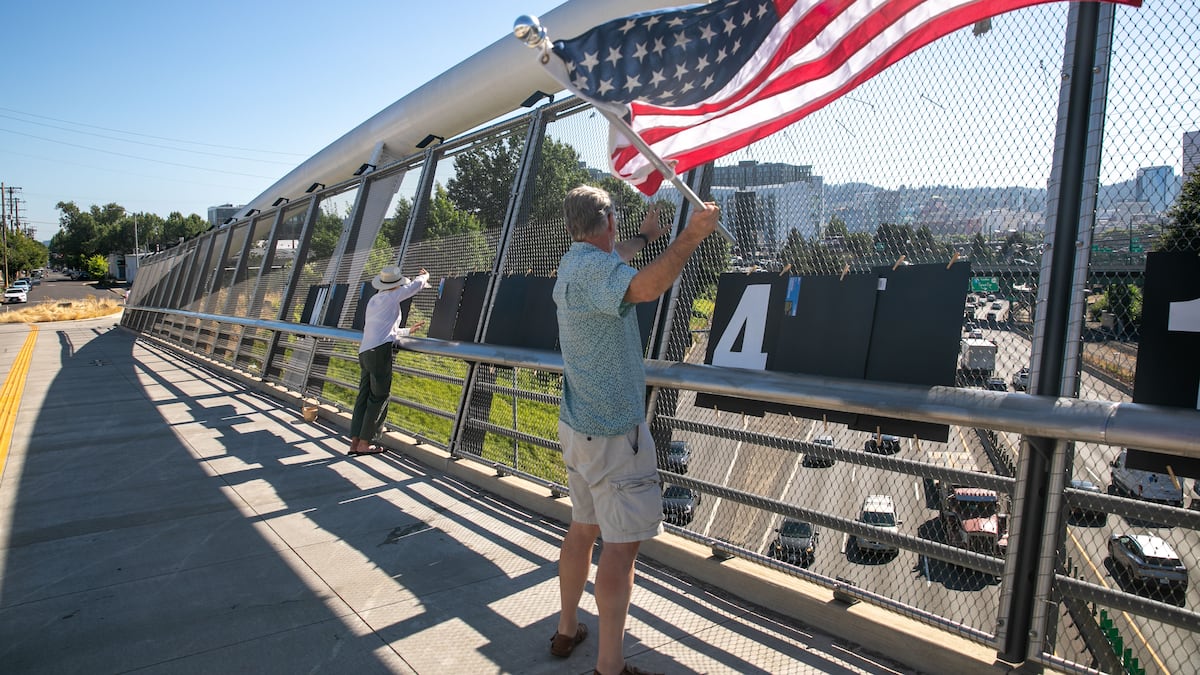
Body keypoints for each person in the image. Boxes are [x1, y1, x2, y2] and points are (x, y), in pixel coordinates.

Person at [550, 185, 719, 675]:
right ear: (605, 223)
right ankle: (609, 666)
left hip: (578, 428)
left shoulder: (574, 263)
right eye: (617, 222)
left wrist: (645, 237)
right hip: (612, 436)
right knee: (620, 552)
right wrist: (689, 237)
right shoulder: (597, 272)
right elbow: (645, 288)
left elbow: (617, 260)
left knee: (582, 531)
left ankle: (566, 630)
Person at [348, 265, 430, 456]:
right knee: (379, 396)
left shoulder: (374, 300)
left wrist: (407, 331)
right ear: (396, 285)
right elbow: (413, 288)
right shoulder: (391, 297)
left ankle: (355, 441)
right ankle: (366, 443)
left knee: (364, 395)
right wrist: (425, 277)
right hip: (379, 352)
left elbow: (385, 329)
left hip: (365, 350)